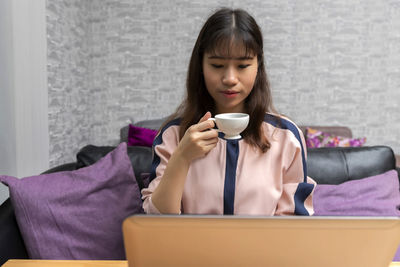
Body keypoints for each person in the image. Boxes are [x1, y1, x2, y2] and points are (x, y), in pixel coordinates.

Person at [141, 8, 316, 215]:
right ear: (201, 66)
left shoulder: (286, 137)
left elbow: (295, 226)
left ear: (258, 66)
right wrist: (182, 157)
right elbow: (156, 222)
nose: (230, 79)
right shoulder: (173, 136)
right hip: (189, 248)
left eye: (243, 66)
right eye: (217, 65)